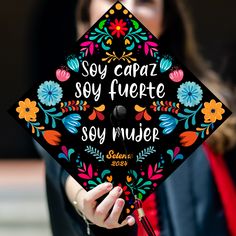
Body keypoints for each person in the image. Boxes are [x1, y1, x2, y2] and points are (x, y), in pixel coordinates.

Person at [33, 0, 236, 235]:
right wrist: (86, 201)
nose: (127, 11)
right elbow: (64, 169)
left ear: (166, 19)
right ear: (87, 12)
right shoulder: (63, 105)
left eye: (145, 1)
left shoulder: (208, 105)